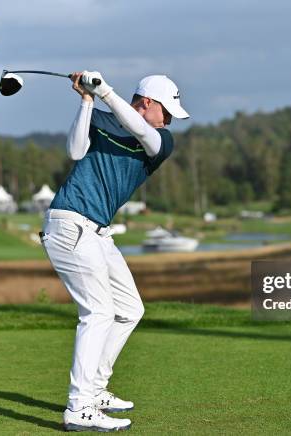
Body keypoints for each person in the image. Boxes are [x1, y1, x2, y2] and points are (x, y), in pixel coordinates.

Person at [39, 70, 189, 432]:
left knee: (129, 309)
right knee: (99, 312)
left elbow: (141, 131)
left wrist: (103, 91)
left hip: (98, 233)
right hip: (70, 223)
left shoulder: (161, 141)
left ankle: (95, 389)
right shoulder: (103, 118)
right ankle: (79, 407)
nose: (169, 120)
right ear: (148, 102)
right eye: (166, 111)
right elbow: (75, 151)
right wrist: (86, 100)